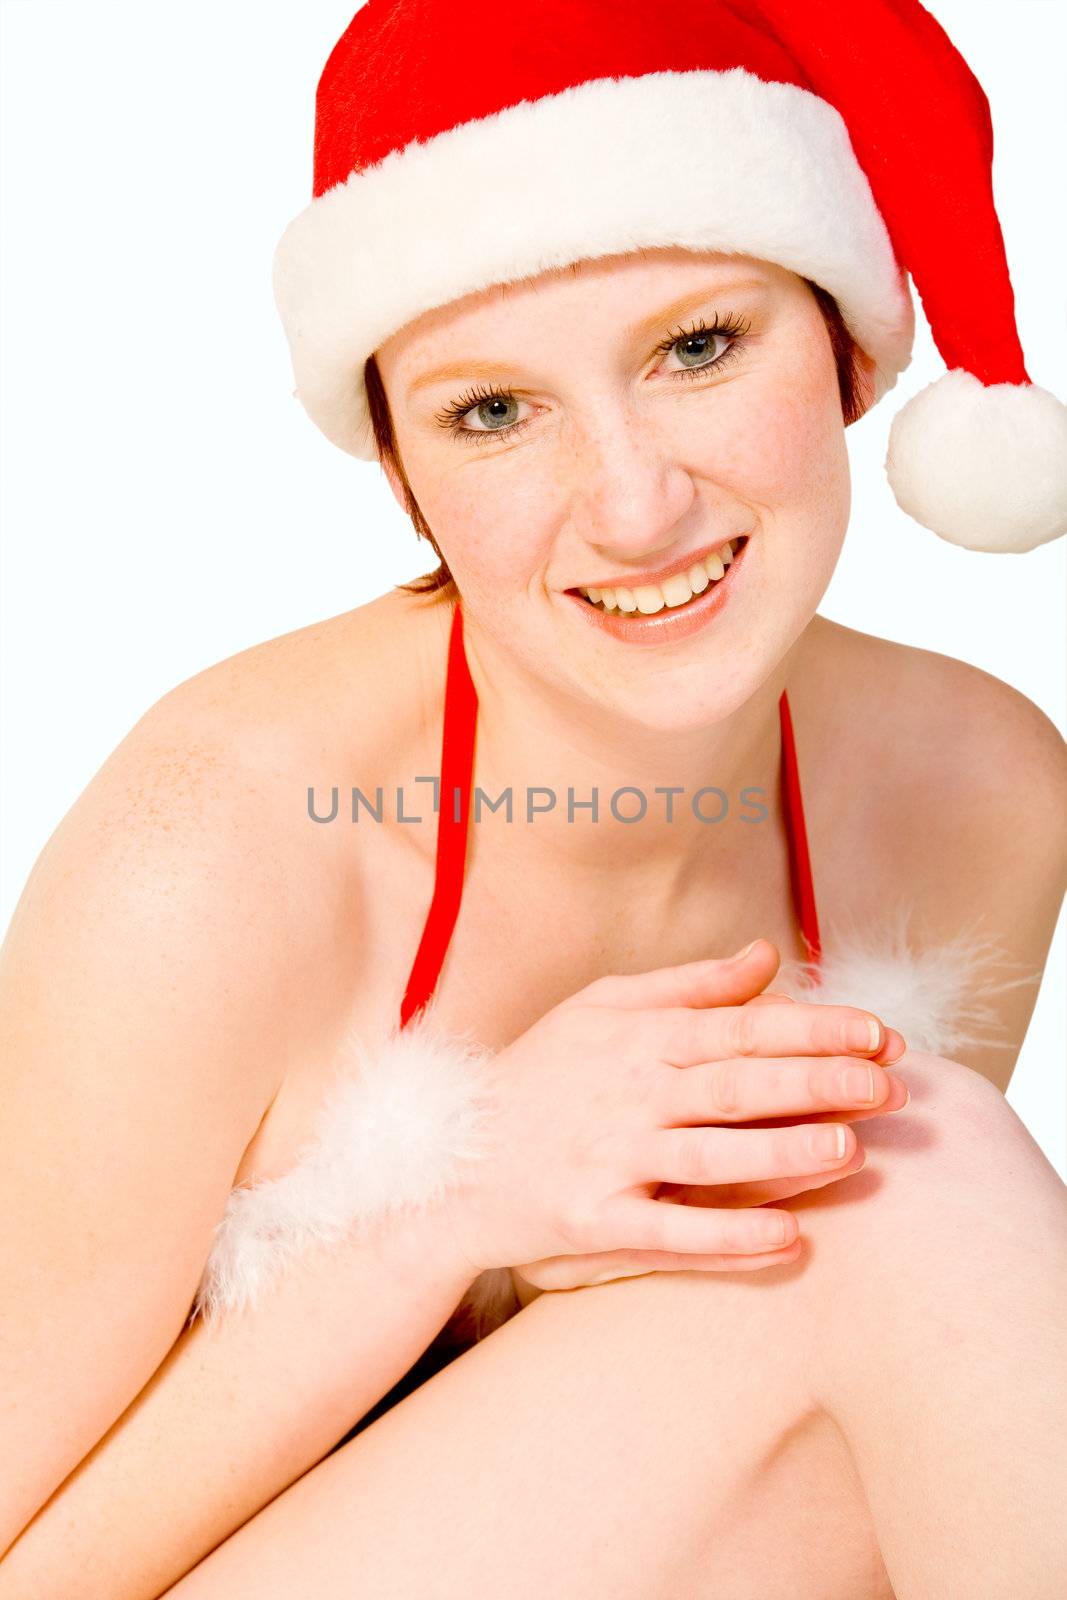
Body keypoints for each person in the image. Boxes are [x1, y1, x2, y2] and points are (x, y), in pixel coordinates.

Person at [1, 2, 1066, 1596]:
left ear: (850, 346)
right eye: (493, 411)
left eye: (698, 348)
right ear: (401, 469)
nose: (635, 506)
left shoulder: (975, 790)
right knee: (909, 1175)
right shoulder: (215, 849)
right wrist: (458, 1204)